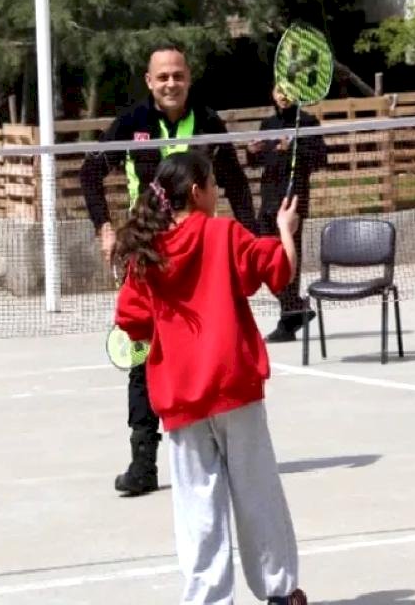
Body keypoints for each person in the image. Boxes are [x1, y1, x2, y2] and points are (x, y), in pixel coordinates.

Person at [113, 152, 307, 605]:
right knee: (258, 493)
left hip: (180, 398)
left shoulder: (147, 252)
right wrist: (285, 230)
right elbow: (279, 269)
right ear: (197, 191)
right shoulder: (223, 234)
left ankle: (207, 599)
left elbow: (131, 320)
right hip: (234, 387)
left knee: (197, 508)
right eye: (214, 183)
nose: (218, 191)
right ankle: (279, 592)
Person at [80, 44, 256, 497]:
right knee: (143, 361)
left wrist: (255, 237)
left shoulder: (210, 123)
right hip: (149, 257)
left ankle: (217, 448)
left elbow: (234, 179)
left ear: (189, 78)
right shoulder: (130, 123)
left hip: (200, 260)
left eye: (178, 75)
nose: (171, 84)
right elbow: (89, 173)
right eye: (163, 77)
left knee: (210, 350)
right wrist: (104, 226)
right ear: (149, 80)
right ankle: (144, 462)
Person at [248, 85, 328, 342]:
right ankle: (296, 307)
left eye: (288, 91)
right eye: (278, 90)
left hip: (293, 201)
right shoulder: (267, 124)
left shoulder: (307, 122)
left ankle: (288, 320)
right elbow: (257, 164)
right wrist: (253, 153)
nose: (283, 96)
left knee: (289, 259)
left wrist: (293, 149)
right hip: (269, 200)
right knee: (261, 259)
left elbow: (321, 159)